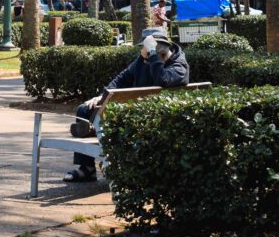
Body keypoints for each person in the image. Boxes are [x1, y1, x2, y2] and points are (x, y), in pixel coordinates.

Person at [63, 27, 190, 183]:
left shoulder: (178, 66)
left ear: (160, 52)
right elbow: (121, 79)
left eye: (146, 51)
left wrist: (152, 56)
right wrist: (101, 97)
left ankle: (91, 132)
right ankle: (87, 169)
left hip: (155, 117)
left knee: (96, 123)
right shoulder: (142, 60)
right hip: (136, 110)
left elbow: (162, 79)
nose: (142, 56)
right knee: (84, 110)